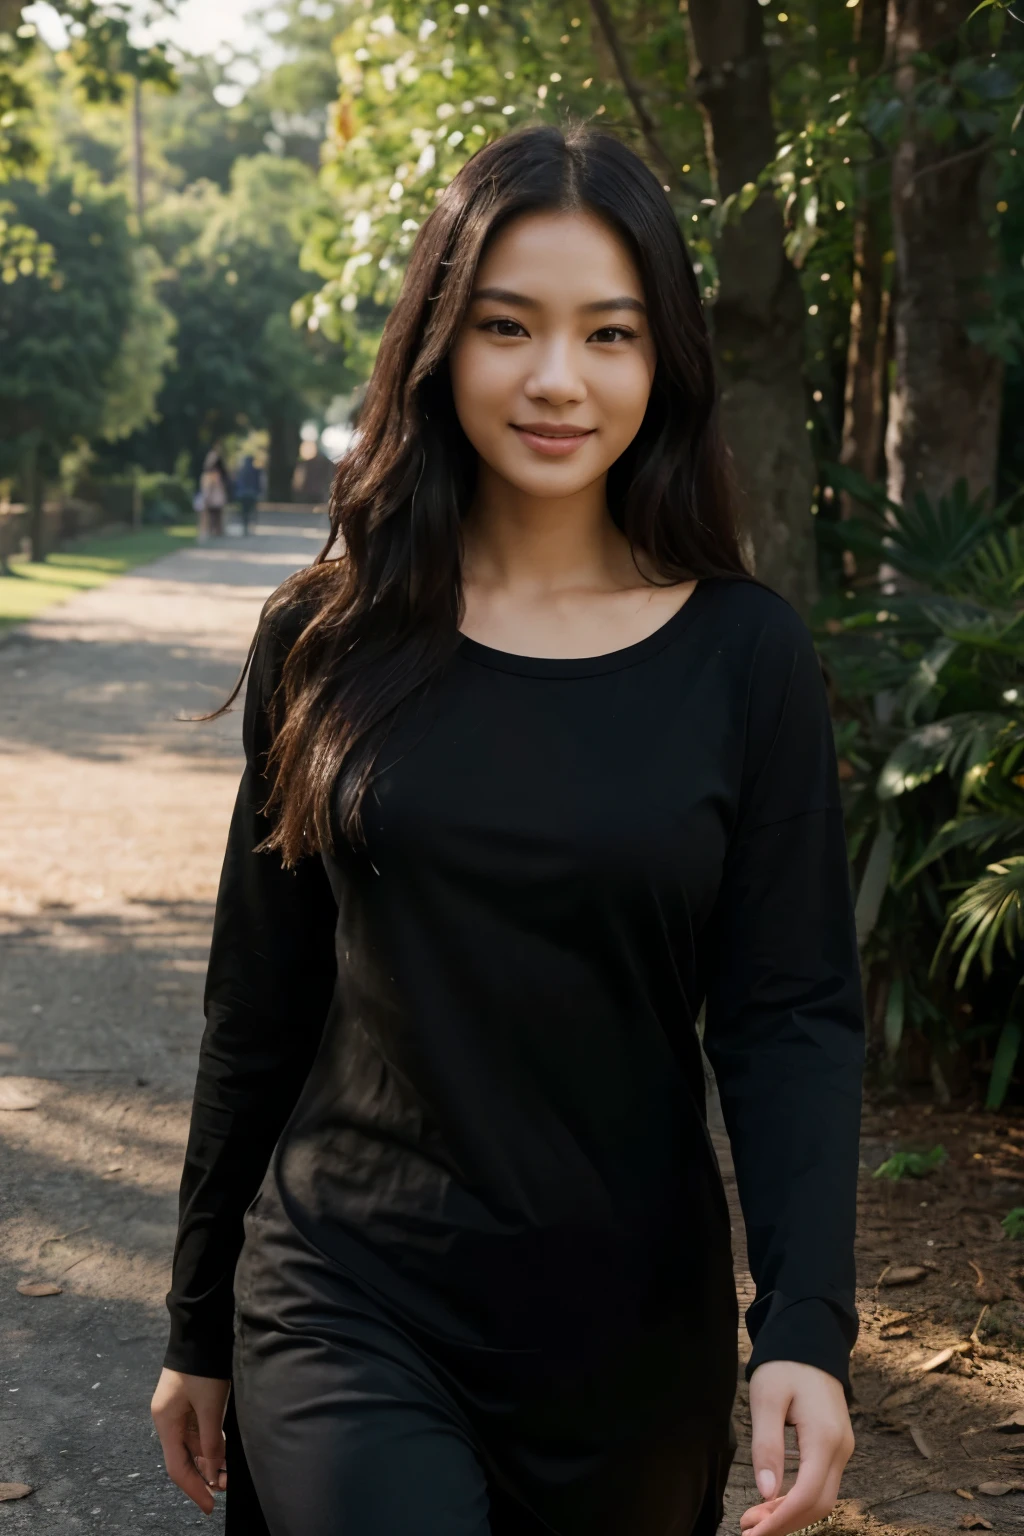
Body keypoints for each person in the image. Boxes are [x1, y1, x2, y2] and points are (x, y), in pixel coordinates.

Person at [151, 123, 864, 1536]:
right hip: (347, 1292)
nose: (556, 377)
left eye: (610, 333)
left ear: (663, 364)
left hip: (625, 1340)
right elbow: (261, 1004)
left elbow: (790, 1016)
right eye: (506, 327)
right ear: (440, 343)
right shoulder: (330, 638)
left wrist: (805, 1327)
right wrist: (197, 1316)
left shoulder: (747, 660)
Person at [199, 444, 231, 539]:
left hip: (213, 499)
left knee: (213, 517)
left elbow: (208, 488)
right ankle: (215, 532)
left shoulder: (211, 475)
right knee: (216, 517)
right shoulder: (218, 474)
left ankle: (213, 532)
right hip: (217, 498)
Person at [234, 453, 264, 536]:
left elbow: (237, 483)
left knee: (244, 512)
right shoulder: (255, 471)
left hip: (242, 494)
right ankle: (251, 527)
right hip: (252, 494)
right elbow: (258, 483)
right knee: (251, 511)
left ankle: (245, 526)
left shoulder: (241, 470)